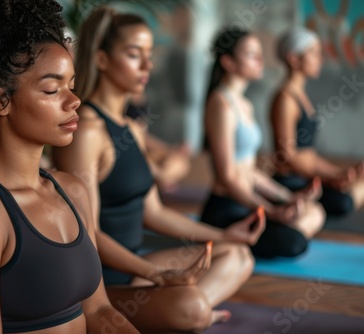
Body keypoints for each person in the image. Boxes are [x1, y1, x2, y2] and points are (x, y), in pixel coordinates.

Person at [52, 7, 265, 333]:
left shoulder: (131, 129)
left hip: (136, 266)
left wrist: (224, 235)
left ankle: (188, 311)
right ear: (102, 59)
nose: (147, 66)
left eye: (150, 55)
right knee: (189, 305)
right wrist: (157, 275)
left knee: (238, 254)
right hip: (98, 286)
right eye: (134, 55)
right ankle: (190, 312)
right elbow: (88, 235)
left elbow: (154, 212)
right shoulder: (87, 132)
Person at [0, 1, 139, 333]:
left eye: (71, 86)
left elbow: (100, 310)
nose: (74, 101)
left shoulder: (72, 189)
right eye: (51, 89)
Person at [201, 28, 326, 259]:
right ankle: (229, 241)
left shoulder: (244, 105)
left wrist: (288, 197)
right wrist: (271, 211)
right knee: (294, 243)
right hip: (226, 208)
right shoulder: (220, 104)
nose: (260, 60)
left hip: (247, 203)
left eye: (260, 53)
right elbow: (229, 177)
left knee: (314, 212)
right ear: (228, 62)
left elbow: (248, 172)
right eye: (251, 54)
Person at [271, 27, 364, 216]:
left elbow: (308, 155)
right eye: (313, 53)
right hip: (291, 182)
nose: (320, 59)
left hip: (306, 177)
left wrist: (341, 173)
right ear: (293, 58)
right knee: (344, 200)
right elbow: (287, 155)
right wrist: (331, 177)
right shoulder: (286, 100)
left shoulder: (301, 96)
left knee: (359, 187)